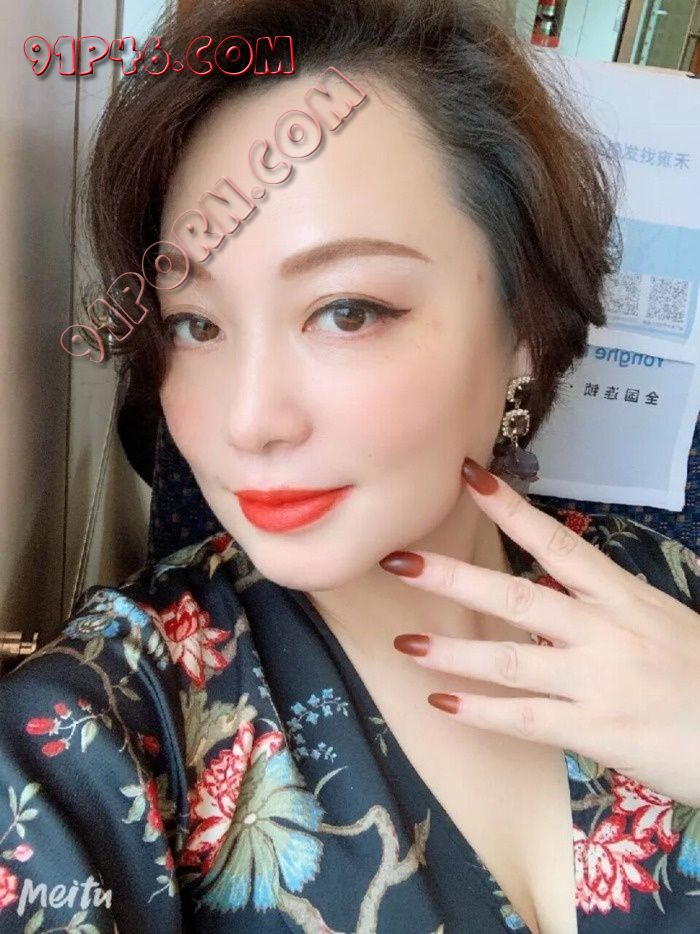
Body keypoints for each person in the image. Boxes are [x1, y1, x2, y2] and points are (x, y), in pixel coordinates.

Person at [1, 0, 699, 931]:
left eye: (347, 311)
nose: (249, 421)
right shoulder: (105, 723)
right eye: (195, 325)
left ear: (525, 326)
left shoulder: (667, 591)